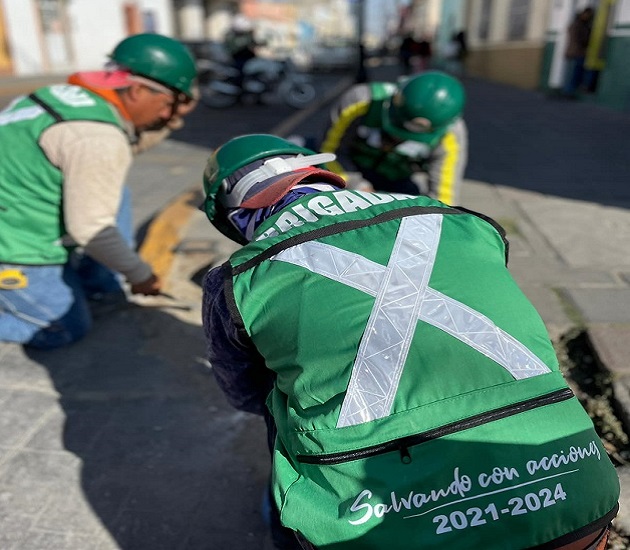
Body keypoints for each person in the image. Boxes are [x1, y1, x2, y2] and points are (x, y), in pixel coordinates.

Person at [200, 133, 620, 550]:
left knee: (280, 401)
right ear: (323, 173)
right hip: (572, 487)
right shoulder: (468, 222)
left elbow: (243, 391)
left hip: (385, 526)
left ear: (234, 218)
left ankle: (285, 526)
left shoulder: (237, 281)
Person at [0, 33, 198, 349]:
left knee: (114, 192)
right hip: (14, 246)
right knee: (65, 326)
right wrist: (141, 275)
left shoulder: (66, 96)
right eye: (166, 106)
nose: (166, 116)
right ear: (137, 90)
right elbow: (91, 228)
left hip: (16, 213)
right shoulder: (98, 138)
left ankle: (97, 281)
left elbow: (122, 148)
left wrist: (172, 118)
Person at [319, 70, 468, 206]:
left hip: (398, 179)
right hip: (351, 168)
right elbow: (328, 153)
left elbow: (444, 196)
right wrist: (356, 185)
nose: (397, 138)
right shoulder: (360, 100)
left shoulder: (451, 135)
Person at [562, 7, 594, 98]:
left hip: (576, 52)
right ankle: (568, 91)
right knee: (574, 74)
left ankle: (569, 91)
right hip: (576, 52)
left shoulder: (581, 24)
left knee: (575, 73)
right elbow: (578, 39)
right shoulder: (578, 25)